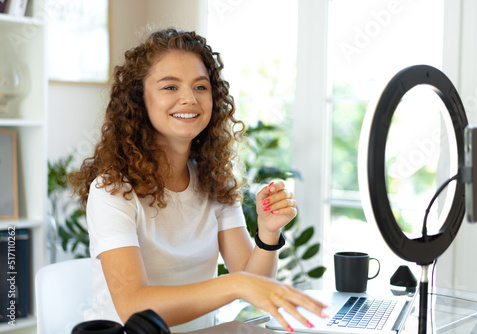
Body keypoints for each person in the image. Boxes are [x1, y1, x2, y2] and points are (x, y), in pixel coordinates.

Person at [70, 27, 326, 332]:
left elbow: (253, 282)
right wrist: (237, 284)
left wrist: (269, 233)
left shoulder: (213, 180)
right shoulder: (112, 191)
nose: (189, 99)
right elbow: (133, 307)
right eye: (170, 87)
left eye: (200, 87)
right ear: (139, 100)